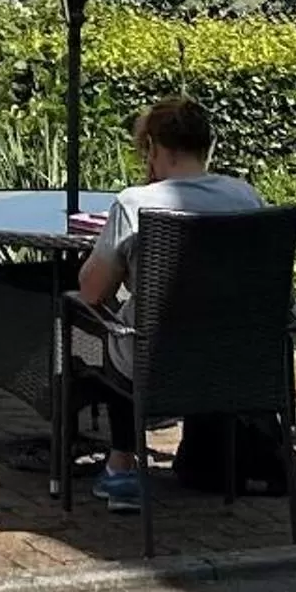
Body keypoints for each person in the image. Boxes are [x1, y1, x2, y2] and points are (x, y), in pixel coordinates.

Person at [72, 96, 263, 513]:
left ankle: (121, 465)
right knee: (133, 331)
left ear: (154, 148)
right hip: (233, 361)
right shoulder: (245, 197)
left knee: (90, 328)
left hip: (154, 361)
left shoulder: (135, 203)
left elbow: (91, 292)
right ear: (206, 146)